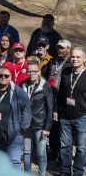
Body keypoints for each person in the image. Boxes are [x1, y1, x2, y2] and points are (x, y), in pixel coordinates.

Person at [0, 66, 31, 169]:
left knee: (14, 162)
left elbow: (27, 110)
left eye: (6, 76)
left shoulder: (17, 91)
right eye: (0, 75)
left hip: (13, 135)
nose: (3, 77)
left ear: (11, 77)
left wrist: (22, 128)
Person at [56, 46, 86, 176]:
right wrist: (57, 110)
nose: (75, 59)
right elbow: (60, 92)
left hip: (82, 116)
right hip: (65, 116)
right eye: (73, 56)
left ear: (84, 59)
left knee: (81, 148)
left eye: (78, 57)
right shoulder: (66, 72)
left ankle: (78, 172)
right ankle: (65, 171)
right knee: (65, 146)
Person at [21, 58, 53, 176]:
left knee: (40, 153)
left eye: (34, 71)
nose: (31, 74)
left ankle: (41, 174)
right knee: (26, 152)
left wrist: (47, 128)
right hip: (26, 124)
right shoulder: (22, 85)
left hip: (40, 125)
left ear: (39, 72)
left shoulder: (45, 87)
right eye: (29, 71)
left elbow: (50, 108)